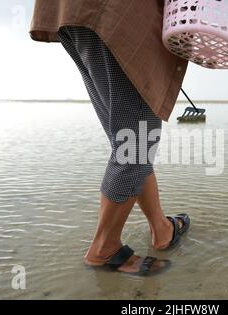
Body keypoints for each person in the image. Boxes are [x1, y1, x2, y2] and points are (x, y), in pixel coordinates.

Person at [30, 0, 190, 275]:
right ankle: (105, 249)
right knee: (135, 146)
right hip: (116, 14)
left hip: (74, 12)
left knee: (129, 143)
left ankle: (161, 229)